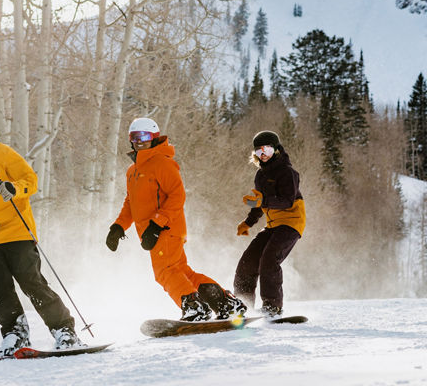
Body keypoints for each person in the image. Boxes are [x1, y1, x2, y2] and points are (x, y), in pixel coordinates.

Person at [0, 108, 83, 356]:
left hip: (16, 231)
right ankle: (15, 333)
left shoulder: (2, 152)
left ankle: (64, 330)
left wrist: (14, 188)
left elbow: (30, 180)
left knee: (32, 283)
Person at [105, 117, 246, 321]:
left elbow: (178, 195)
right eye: (134, 137)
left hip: (165, 229)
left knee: (165, 272)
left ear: (154, 138)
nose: (139, 141)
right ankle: (226, 304)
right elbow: (130, 203)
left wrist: (156, 224)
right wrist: (118, 227)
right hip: (152, 232)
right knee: (182, 272)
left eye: (144, 136)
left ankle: (194, 307)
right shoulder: (133, 171)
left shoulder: (162, 163)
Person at [233, 131, 306, 317]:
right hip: (273, 225)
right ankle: (242, 307)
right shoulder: (260, 175)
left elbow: (287, 201)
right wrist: (247, 223)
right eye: (258, 151)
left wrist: (262, 201)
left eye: (266, 149)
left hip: (291, 223)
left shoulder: (288, 173)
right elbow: (260, 203)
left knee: (269, 260)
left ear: (276, 149)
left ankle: (272, 306)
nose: (262, 154)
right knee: (247, 263)